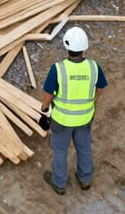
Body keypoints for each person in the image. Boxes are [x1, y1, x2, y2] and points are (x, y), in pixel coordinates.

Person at [40, 26, 107, 195]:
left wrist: (44, 111)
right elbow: (101, 88)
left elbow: (48, 95)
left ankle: (59, 183)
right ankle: (85, 179)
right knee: (84, 148)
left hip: (62, 120)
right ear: (84, 47)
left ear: (66, 46)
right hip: (84, 119)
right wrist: (92, 102)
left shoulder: (59, 69)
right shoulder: (94, 67)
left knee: (60, 151)